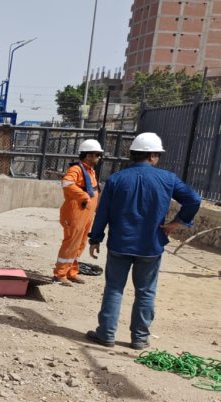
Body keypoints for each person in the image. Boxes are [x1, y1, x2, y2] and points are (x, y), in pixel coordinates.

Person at [85, 132, 201, 350]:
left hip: (120, 243)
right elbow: (194, 200)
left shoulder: (115, 180)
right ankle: (139, 338)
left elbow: (103, 212)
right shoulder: (168, 179)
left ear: (133, 154)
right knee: (146, 291)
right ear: (153, 156)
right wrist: (177, 222)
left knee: (114, 289)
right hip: (150, 246)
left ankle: (106, 334)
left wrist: (95, 238)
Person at [53, 139, 103, 285]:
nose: (98, 158)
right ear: (88, 155)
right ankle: (60, 274)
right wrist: (83, 196)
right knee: (71, 243)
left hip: (85, 213)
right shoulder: (76, 169)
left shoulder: (89, 170)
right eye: (97, 155)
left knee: (80, 243)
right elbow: (67, 183)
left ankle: (71, 271)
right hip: (75, 212)